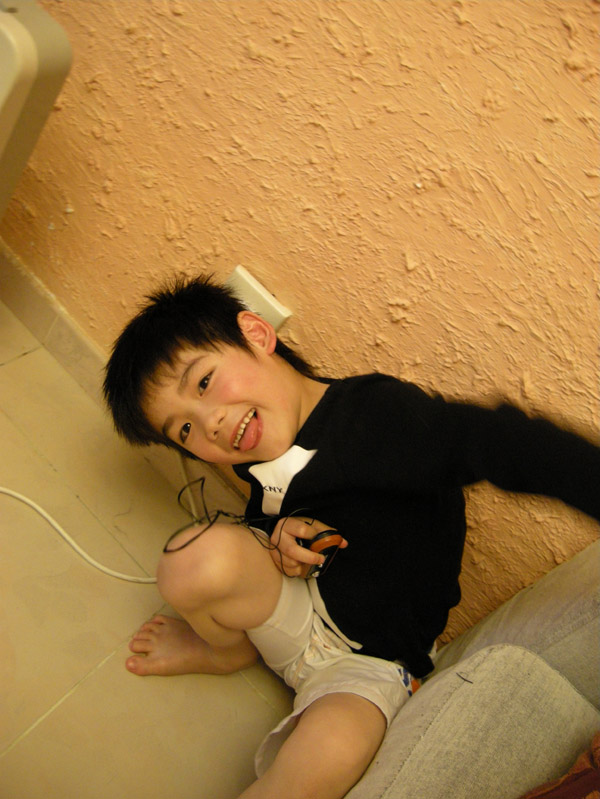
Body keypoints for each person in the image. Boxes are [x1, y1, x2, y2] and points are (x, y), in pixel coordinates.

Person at [103, 274, 600, 796]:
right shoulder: (252, 442)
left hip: (369, 662)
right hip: (295, 612)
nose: (210, 424)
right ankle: (227, 651)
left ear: (256, 333)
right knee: (190, 563)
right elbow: (274, 505)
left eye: (204, 383)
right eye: (184, 430)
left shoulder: (378, 416)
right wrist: (277, 534)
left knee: (332, 751)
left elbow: (502, 443)